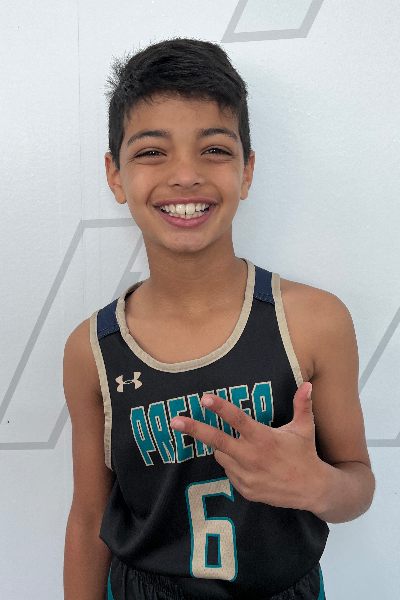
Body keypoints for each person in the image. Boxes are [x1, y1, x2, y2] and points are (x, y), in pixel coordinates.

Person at [63, 38, 375, 600]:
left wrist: (318, 485)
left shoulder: (313, 322)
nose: (185, 175)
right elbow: (90, 516)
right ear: (115, 175)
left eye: (214, 149)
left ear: (247, 170)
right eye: (152, 151)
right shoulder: (92, 350)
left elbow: (357, 484)